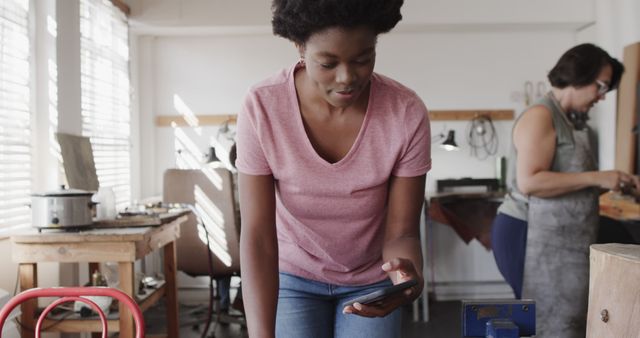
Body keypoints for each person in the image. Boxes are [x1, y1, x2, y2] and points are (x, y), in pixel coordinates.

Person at [235, 0, 431, 337]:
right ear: (299, 47)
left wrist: (406, 281)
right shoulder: (262, 107)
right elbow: (258, 238)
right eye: (327, 63)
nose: (346, 78)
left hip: (371, 281)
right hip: (291, 278)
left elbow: (402, 233)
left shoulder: (405, 112)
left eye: (362, 59)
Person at [491, 43, 640, 337]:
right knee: (541, 322)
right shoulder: (541, 116)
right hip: (525, 230)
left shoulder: (568, 120)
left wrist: (617, 181)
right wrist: (598, 177)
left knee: (559, 323)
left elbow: (567, 186)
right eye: (601, 86)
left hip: (552, 233)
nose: (601, 96)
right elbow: (532, 182)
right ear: (578, 74)